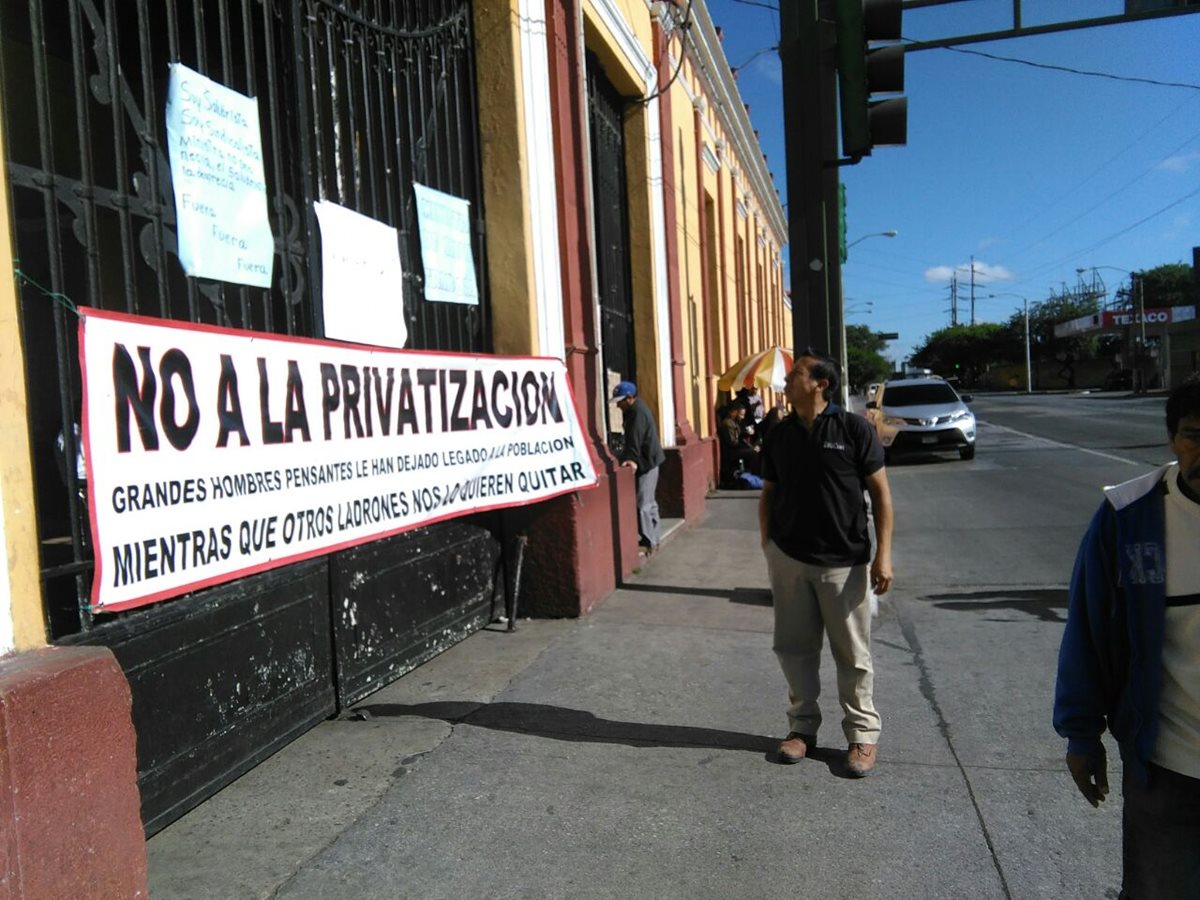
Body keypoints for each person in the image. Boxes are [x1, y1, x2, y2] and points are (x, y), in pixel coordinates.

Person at [1053, 374, 1200, 899]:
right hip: (1169, 764)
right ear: (1171, 438)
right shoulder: (1131, 517)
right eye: (1192, 436)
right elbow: (1089, 628)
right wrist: (1081, 734)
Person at [758, 351, 893, 777]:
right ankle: (801, 730)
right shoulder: (780, 434)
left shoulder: (853, 429)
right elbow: (768, 493)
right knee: (795, 650)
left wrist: (883, 554)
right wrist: (769, 546)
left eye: (796, 373)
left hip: (844, 561)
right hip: (790, 559)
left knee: (852, 653)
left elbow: (881, 496)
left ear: (821, 384)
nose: (788, 378)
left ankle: (862, 736)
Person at [612, 381, 666, 554]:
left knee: (644, 502)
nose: (618, 405)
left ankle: (648, 540)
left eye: (620, 401)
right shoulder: (635, 410)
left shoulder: (636, 414)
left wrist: (631, 459)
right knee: (650, 502)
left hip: (646, 462)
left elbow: (635, 439)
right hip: (650, 460)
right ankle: (654, 537)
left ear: (629, 398)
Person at [718, 403, 758, 487]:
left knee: (754, 450)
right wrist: (747, 446)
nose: (742, 417)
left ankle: (751, 475)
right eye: (741, 414)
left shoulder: (733, 422)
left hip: (734, 448)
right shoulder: (728, 423)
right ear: (735, 412)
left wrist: (746, 434)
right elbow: (732, 442)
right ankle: (754, 475)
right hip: (731, 451)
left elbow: (737, 437)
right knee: (753, 453)